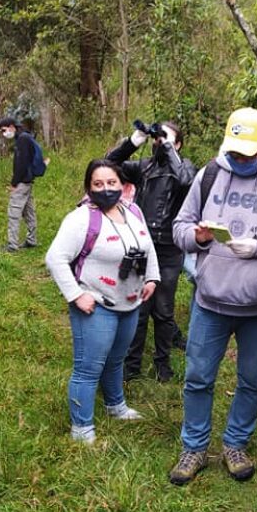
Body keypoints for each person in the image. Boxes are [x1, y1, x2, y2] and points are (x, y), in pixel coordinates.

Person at [168, 107, 257, 485]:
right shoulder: (210, 173)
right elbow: (179, 228)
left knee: (252, 379)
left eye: (247, 153)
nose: (238, 159)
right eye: (234, 150)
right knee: (198, 376)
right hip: (210, 299)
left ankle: (235, 443)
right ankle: (195, 447)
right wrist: (198, 237)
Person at [45, 160, 160, 445]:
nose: (106, 189)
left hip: (130, 302)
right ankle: (81, 428)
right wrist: (76, 294)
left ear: (123, 185)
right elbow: (55, 258)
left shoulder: (133, 211)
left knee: (116, 360)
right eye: (98, 184)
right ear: (88, 187)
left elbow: (149, 247)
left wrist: (152, 279)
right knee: (88, 368)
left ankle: (115, 405)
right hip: (96, 303)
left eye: (111, 183)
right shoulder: (81, 219)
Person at [105, 121, 197, 382]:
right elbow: (107, 166)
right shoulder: (144, 167)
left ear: (177, 144)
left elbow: (185, 181)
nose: (159, 142)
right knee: (139, 306)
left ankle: (162, 362)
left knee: (164, 309)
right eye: (157, 139)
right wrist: (133, 142)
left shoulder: (185, 166)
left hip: (168, 248)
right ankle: (132, 365)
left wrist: (169, 148)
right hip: (142, 246)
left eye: (166, 138)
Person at [0, 117, 38, 252]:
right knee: (29, 212)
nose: (4, 133)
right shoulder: (25, 137)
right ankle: (31, 240)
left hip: (22, 181)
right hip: (28, 180)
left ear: (11, 126)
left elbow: (21, 163)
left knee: (14, 213)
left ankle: (12, 245)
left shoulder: (22, 139)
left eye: (4, 130)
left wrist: (14, 183)